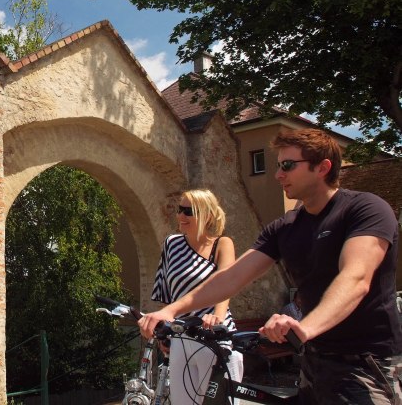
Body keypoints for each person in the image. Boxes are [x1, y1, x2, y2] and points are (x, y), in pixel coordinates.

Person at [139, 129, 401, 404]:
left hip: (367, 364)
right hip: (314, 362)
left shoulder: (365, 209)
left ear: (323, 167)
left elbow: (356, 278)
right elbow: (231, 277)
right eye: (277, 166)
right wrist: (171, 310)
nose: (278, 174)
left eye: (287, 165)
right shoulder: (284, 227)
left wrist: (304, 328)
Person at [151, 189, 243, 404]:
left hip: (213, 336)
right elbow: (166, 291)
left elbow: (225, 283)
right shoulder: (171, 244)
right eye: (179, 210)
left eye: (188, 211)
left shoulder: (222, 244)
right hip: (181, 337)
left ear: (207, 215)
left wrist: (217, 317)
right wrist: (164, 330)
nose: (181, 216)